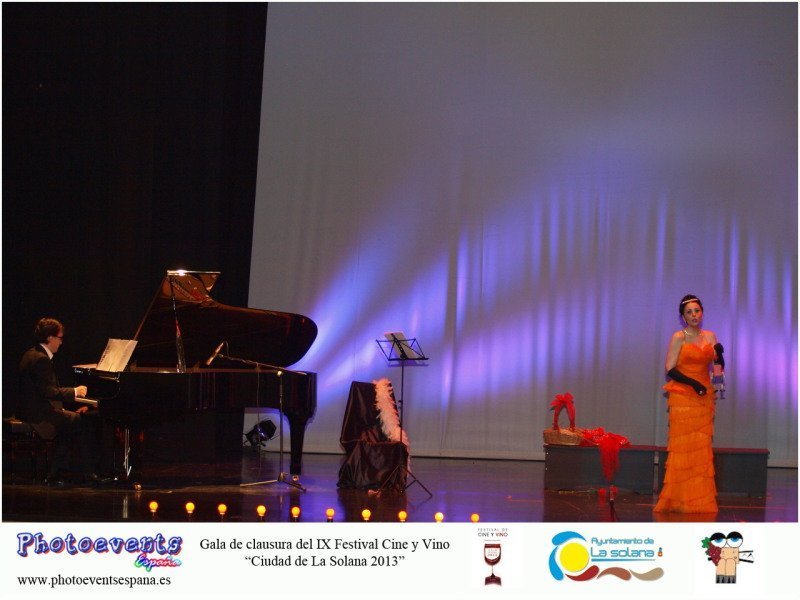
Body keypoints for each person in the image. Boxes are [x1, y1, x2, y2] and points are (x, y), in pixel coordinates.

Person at [654, 294, 724, 514]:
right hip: (684, 396)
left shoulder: (710, 336)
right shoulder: (679, 337)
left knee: (700, 448)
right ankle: (679, 498)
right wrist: (694, 384)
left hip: (703, 397)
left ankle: (698, 500)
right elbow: (670, 368)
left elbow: (717, 366)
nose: (694, 315)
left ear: (702, 312)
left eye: (697, 311)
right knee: (683, 448)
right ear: (683, 317)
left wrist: (720, 358)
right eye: (689, 312)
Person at [17, 317, 103, 485]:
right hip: (37, 415)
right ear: (50, 338)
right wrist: (75, 391)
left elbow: (41, 391)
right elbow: (49, 391)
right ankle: (83, 472)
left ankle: (60, 471)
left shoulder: (31, 353)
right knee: (77, 420)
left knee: (69, 424)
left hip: (29, 410)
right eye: (60, 338)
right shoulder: (41, 359)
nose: (61, 342)